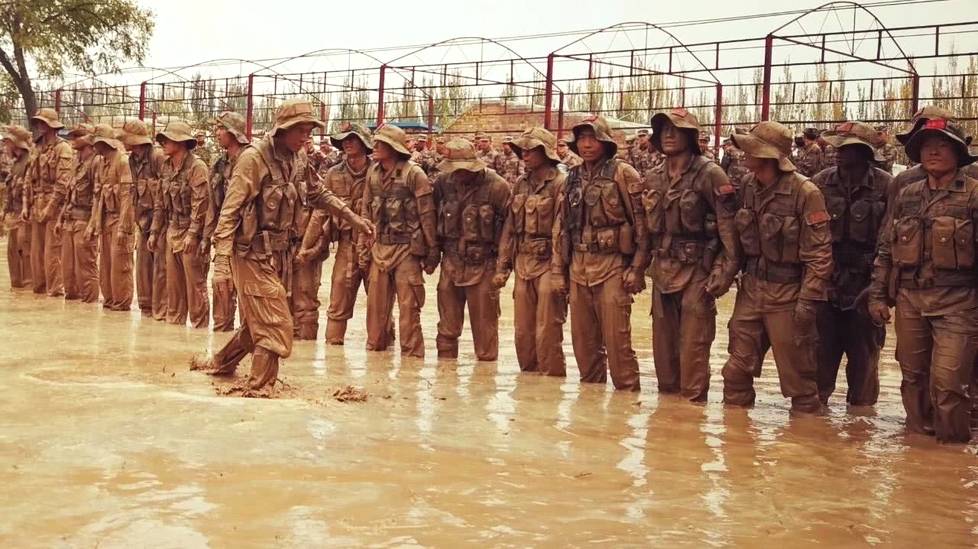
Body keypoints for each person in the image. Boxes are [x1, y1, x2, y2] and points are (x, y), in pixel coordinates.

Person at [198, 99, 373, 390]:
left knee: (260, 323)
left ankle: (221, 363)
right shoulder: (253, 160)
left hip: (279, 254)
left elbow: (319, 193)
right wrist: (221, 267)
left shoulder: (298, 158)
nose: (307, 137)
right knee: (277, 324)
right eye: (302, 131)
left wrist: (353, 218)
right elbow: (227, 215)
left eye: (310, 131)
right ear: (283, 129)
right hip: (250, 254)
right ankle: (259, 388)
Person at [867, 115, 978, 443]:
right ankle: (918, 447)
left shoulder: (973, 195)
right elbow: (887, 248)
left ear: (958, 153)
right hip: (911, 299)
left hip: (959, 303)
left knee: (948, 383)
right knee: (912, 377)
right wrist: (877, 295)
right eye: (927, 147)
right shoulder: (907, 194)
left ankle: (951, 454)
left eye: (942, 146)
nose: (933, 152)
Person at [721, 121, 833, 414]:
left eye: (751, 147)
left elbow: (820, 255)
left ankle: (804, 448)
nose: (744, 152)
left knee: (800, 383)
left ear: (769, 154)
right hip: (751, 289)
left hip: (788, 294)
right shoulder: (747, 185)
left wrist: (808, 302)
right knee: (735, 373)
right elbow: (737, 239)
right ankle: (736, 444)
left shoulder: (805, 192)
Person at [643, 108, 740, 402]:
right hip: (662, 271)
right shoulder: (654, 175)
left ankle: (691, 416)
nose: (669, 135)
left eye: (676, 130)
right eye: (664, 130)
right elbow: (646, 231)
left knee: (694, 348)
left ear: (692, 136)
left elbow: (728, 229)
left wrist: (725, 272)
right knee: (663, 351)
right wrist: (636, 268)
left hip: (698, 270)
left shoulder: (711, 173)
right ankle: (668, 423)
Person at [551, 115, 650, 391]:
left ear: (605, 142)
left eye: (592, 138)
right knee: (583, 344)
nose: (586, 145)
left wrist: (637, 268)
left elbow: (642, 225)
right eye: (581, 139)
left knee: (618, 344)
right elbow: (561, 228)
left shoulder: (623, 173)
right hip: (578, 267)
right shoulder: (571, 177)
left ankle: (626, 404)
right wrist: (559, 271)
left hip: (613, 266)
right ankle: (591, 410)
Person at [811, 121, 892, 407]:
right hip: (827, 284)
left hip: (866, 286)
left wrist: (879, 290)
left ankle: (859, 428)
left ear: (864, 152)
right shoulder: (820, 182)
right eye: (836, 146)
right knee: (819, 361)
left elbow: (890, 241)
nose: (836, 152)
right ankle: (815, 429)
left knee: (864, 365)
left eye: (845, 148)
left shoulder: (886, 185)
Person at [358, 124, 437, 358]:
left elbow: (427, 215)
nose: (375, 146)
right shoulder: (372, 173)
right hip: (380, 247)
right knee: (375, 310)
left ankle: (412, 360)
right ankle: (375, 359)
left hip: (407, 249)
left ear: (393, 147)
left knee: (409, 308)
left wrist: (432, 250)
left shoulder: (415, 174)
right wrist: (364, 245)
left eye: (381, 143)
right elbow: (365, 212)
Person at [494, 127, 568, 376]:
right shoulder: (520, 184)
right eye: (522, 150)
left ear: (545, 152)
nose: (525, 155)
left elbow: (562, 229)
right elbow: (510, 228)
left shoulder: (560, 183)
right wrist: (502, 266)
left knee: (547, 328)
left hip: (549, 261)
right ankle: (528, 385)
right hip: (523, 262)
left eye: (531, 150)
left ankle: (551, 382)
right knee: (522, 330)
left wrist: (559, 273)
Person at [431, 139, 511, 361]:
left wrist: (503, 268)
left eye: (464, 170)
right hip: (451, 262)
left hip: (484, 264)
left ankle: (484, 384)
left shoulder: (497, 186)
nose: (459, 175)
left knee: (485, 331)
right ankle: (444, 383)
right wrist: (431, 255)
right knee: (446, 330)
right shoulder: (442, 183)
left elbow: (509, 229)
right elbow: (431, 217)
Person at [152, 119, 210, 327]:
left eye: (169, 139)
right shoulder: (166, 167)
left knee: (195, 285)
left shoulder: (197, 168)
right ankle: (175, 324)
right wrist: (154, 232)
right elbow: (160, 202)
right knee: (173, 285)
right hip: (172, 229)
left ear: (181, 143)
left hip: (190, 232)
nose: (164, 143)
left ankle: (199, 327)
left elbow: (200, 204)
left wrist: (193, 235)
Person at [321, 122, 373, 345]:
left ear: (365, 143)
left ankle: (380, 355)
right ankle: (333, 356)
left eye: (353, 139)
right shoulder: (333, 174)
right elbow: (320, 212)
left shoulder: (378, 172)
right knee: (338, 302)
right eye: (345, 139)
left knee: (380, 306)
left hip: (373, 247)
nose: (348, 143)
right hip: (344, 245)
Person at [204, 112, 250, 331]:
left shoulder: (250, 161)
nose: (217, 133)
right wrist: (207, 235)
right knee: (221, 292)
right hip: (224, 237)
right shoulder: (220, 165)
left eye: (221, 129)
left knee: (247, 300)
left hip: (247, 241)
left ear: (233, 133)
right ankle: (221, 340)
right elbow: (214, 205)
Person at [23, 107, 72, 296]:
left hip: (55, 208)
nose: (40, 126)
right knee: (36, 254)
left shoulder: (63, 149)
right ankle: (40, 290)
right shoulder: (37, 147)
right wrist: (26, 205)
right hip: (37, 203)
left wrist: (50, 208)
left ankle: (55, 292)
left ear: (52, 126)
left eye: (43, 123)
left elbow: (62, 184)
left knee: (52, 253)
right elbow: (29, 178)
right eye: (39, 123)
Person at [123, 119, 168, 320]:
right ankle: (146, 309)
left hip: (161, 221)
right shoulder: (132, 160)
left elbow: (165, 192)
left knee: (160, 269)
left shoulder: (157, 157)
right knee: (142, 267)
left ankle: (161, 311)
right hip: (143, 221)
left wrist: (158, 226)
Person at [91, 124, 135, 311]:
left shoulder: (122, 161)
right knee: (106, 265)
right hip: (106, 220)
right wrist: (94, 223)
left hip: (120, 220)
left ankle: (122, 302)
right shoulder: (101, 163)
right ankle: (109, 300)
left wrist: (124, 228)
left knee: (120, 265)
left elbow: (127, 197)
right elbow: (99, 195)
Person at [58, 124, 99, 303]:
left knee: (86, 266)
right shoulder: (76, 160)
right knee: (68, 267)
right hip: (70, 217)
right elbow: (69, 192)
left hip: (85, 218)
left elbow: (99, 197)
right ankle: (73, 303)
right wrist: (60, 217)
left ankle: (89, 304)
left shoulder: (96, 162)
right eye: (72, 137)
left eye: (78, 136)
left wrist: (93, 224)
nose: (73, 140)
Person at [1, 125, 33, 289]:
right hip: (13, 215)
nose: (5, 146)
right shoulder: (16, 164)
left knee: (24, 253)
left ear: (16, 143)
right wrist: (4, 212)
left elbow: (28, 188)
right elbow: (10, 190)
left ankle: (27, 291)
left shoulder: (29, 162)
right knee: (12, 253)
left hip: (24, 216)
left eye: (7, 142)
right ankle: (17, 288)